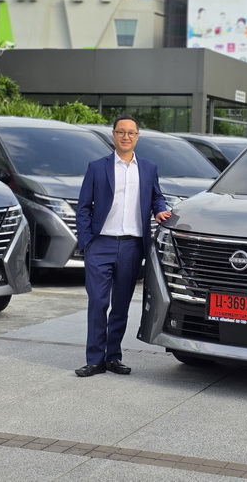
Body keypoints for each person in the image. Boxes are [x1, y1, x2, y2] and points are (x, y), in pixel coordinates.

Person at [74, 115, 172, 377]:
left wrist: (160, 210)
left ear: (137, 136)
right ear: (113, 134)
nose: (126, 136)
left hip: (132, 246)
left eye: (131, 133)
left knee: (120, 305)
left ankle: (113, 357)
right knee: (98, 302)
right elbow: (83, 207)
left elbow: (157, 196)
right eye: (121, 132)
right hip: (100, 245)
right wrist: (87, 242)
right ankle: (94, 360)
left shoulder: (148, 168)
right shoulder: (97, 167)